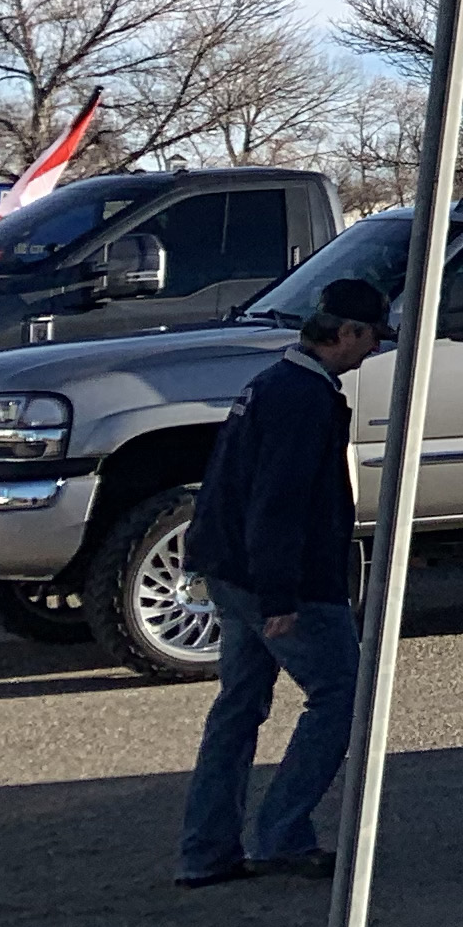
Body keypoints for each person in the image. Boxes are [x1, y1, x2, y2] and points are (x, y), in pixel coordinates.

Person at [177, 273, 391, 889]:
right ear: (345, 332)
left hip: (228, 567)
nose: (373, 349)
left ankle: (205, 850)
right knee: (342, 696)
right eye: (370, 336)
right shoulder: (304, 397)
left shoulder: (271, 382)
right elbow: (280, 501)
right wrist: (280, 597)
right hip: (281, 579)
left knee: (238, 707)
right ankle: (283, 834)